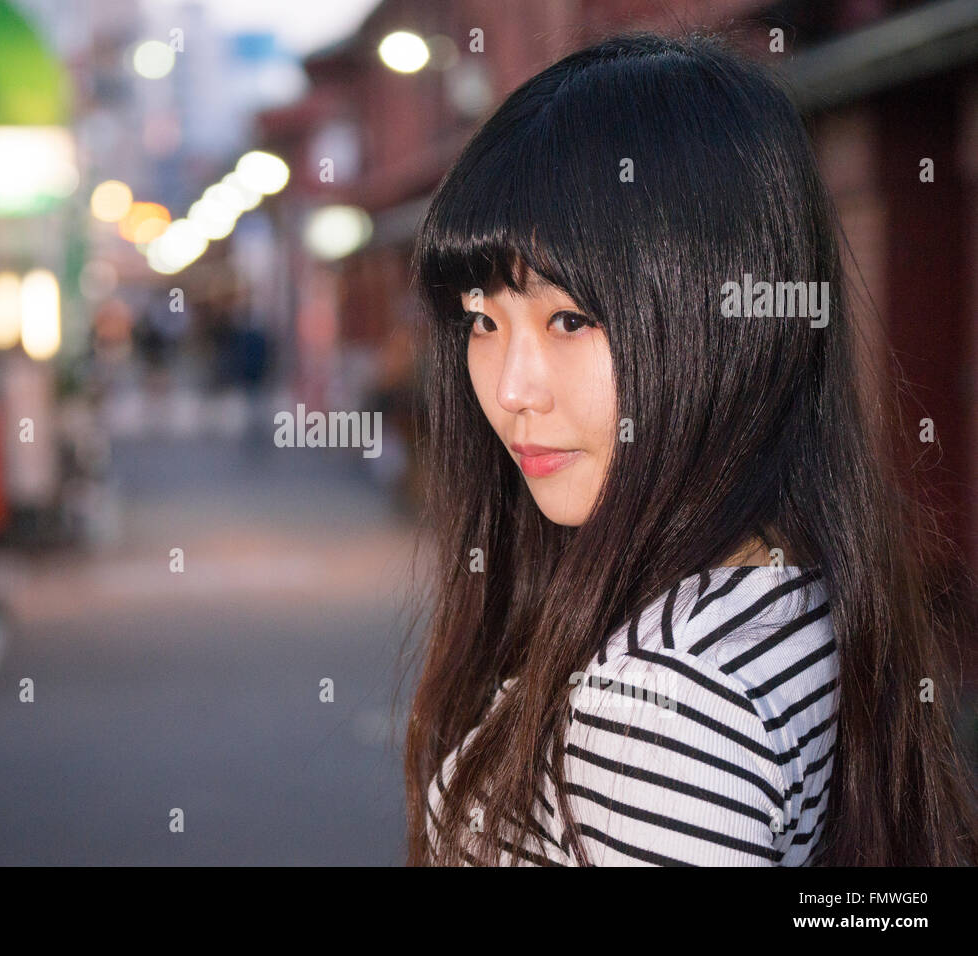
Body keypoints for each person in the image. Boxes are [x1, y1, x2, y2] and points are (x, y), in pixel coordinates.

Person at [405, 32, 978, 866]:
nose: (511, 388)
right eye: (483, 321)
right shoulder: (796, 584)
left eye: (570, 319)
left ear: (727, 328)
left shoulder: (662, 702)